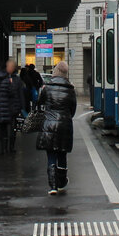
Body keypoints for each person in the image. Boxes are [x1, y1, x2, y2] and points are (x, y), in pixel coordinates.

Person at [36, 61, 77, 195]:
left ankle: (52, 186)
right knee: (62, 154)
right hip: (65, 125)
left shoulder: (47, 88)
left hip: (49, 124)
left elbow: (40, 104)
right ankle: (61, 182)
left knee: (51, 155)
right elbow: (73, 109)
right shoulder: (70, 89)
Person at [0, 60, 22, 155]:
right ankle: (4, 149)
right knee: (4, 129)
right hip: (5, 107)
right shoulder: (7, 80)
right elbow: (12, 93)